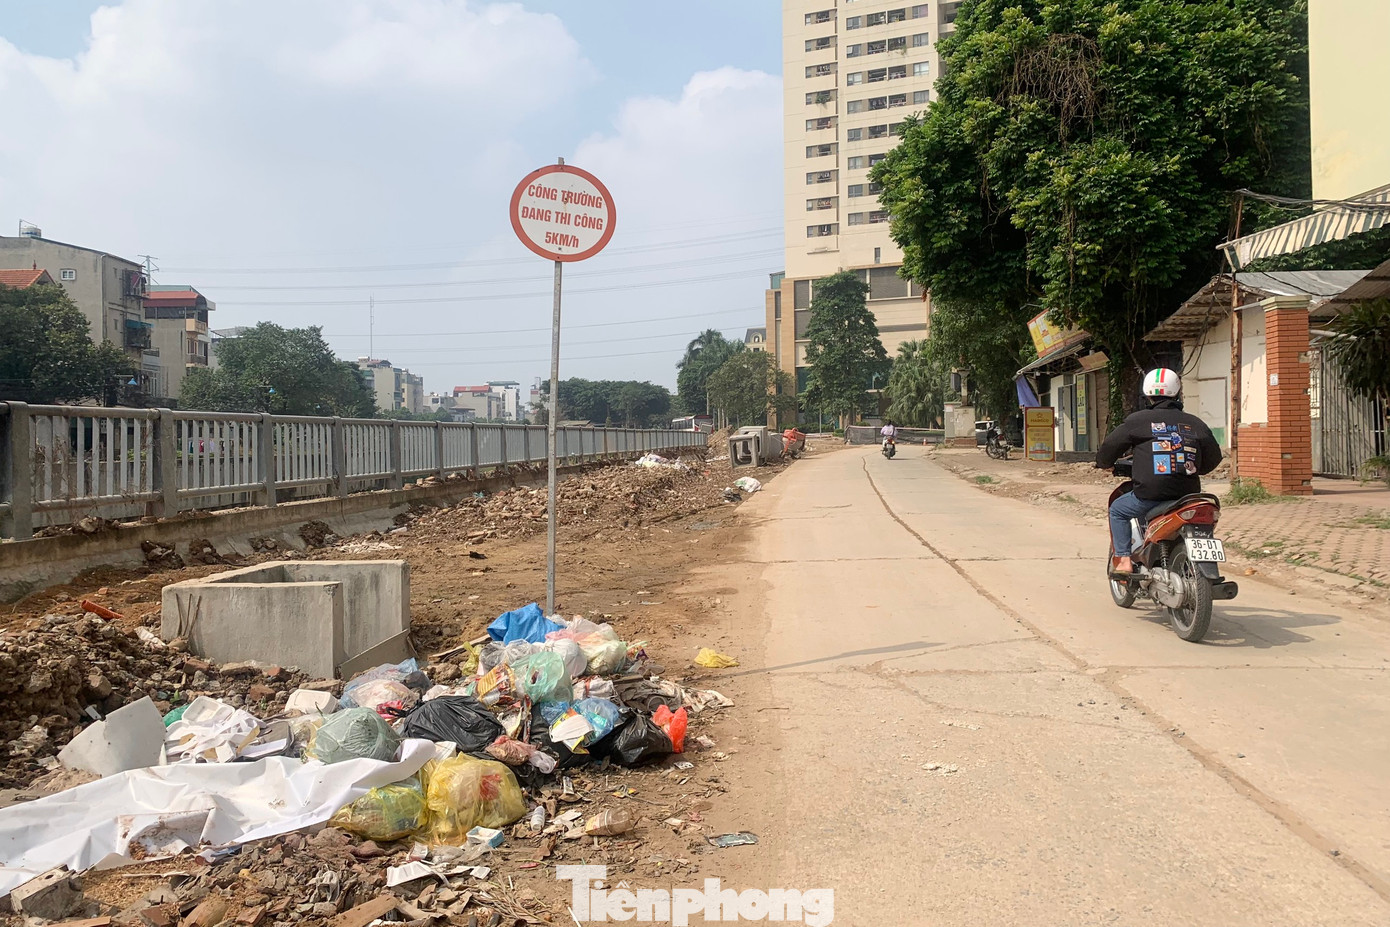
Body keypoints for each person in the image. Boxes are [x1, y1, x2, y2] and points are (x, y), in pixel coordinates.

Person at [1095, 368, 1222, 575]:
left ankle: (1124, 561)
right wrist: (1196, 468)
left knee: (1118, 510)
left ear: (1147, 394)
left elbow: (1109, 447)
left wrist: (1104, 463)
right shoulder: (1195, 422)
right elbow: (1213, 458)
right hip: (1188, 496)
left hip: (1149, 496)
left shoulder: (1137, 420)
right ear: (1177, 392)